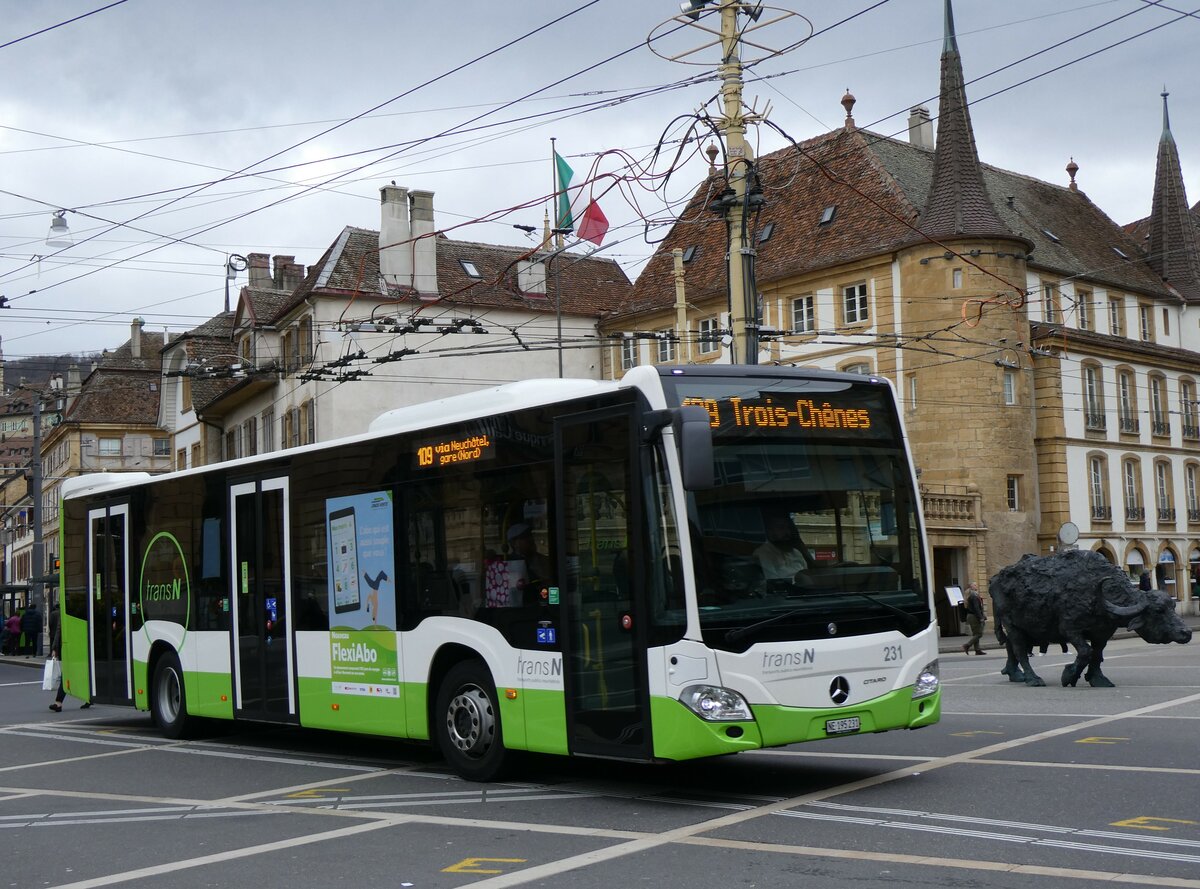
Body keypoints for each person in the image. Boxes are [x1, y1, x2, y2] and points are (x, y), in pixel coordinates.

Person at [507, 523, 553, 604]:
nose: (530, 539)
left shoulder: (544, 560)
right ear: (514, 543)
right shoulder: (508, 563)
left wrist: (554, 603)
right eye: (525, 537)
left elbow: (553, 585)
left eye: (530, 536)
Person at [753, 515, 808, 581]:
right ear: (769, 531)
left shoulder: (796, 552)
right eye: (781, 528)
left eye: (788, 528)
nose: (787, 532)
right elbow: (773, 583)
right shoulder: (762, 553)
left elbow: (807, 576)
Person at [961, 581, 988, 655]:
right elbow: (976, 608)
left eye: (976, 585)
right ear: (971, 587)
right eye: (975, 585)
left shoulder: (974, 595)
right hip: (974, 616)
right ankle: (967, 645)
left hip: (972, 616)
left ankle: (977, 649)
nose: (976, 586)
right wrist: (981, 617)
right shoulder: (973, 596)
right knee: (979, 634)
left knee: (976, 633)